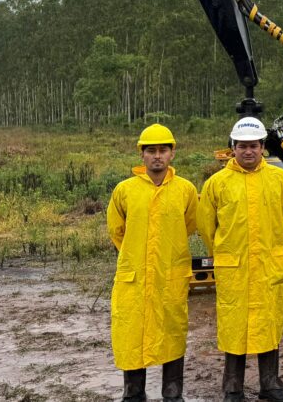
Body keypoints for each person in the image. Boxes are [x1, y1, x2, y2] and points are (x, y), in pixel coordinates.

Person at [197, 117, 283, 402]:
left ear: (263, 147)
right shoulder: (217, 183)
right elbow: (206, 227)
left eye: (254, 145)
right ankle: (233, 389)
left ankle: (270, 385)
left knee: (269, 325)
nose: (248, 151)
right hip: (234, 268)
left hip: (269, 265)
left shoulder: (281, 179)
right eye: (242, 146)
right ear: (233, 147)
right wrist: (225, 253)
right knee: (234, 328)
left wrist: (272, 248)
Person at [107, 123, 197, 402]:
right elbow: (116, 230)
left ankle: (173, 394)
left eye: (163, 150)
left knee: (172, 333)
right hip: (134, 277)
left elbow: (190, 224)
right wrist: (136, 254)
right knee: (132, 335)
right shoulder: (125, 190)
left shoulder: (185, 190)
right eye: (151, 151)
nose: (157, 156)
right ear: (142, 154)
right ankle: (133, 394)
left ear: (172, 153)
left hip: (171, 276)